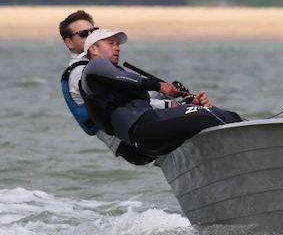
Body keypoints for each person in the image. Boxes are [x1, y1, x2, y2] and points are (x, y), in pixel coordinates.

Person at [79, 28, 241, 157]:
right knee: (218, 115)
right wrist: (160, 86)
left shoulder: (108, 84)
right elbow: (126, 78)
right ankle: (252, 139)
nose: (117, 48)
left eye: (118, 44)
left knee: (204, 118)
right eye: (111, 43)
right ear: (94, 49)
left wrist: (188, 105)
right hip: (146, 128)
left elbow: (148, 105)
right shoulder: (94, 66)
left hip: (146, 142)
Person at [59, 10, 155, 165]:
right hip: (128, 141)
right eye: (84, 34)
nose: (90, 36)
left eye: (94, 31)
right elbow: (125, 101)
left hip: (134, 132)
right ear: (69, 43)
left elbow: (137, 94)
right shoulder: (81, 73)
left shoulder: (101, 66)